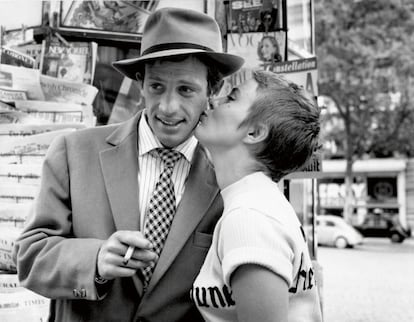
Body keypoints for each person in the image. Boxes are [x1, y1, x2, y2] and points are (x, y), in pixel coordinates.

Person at [13, 7, 243, 322]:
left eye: (186, 90)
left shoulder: (229, 178)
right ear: (140, 83)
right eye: (156, 87)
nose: (168, 107)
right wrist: (95, 259)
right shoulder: (73, 152)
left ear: (212, 92)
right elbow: (28, 256)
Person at [192, 70, 323, 322]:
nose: (213, 101)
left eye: (231, 98)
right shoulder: (257, 203)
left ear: (254, 133)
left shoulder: (249, 217)